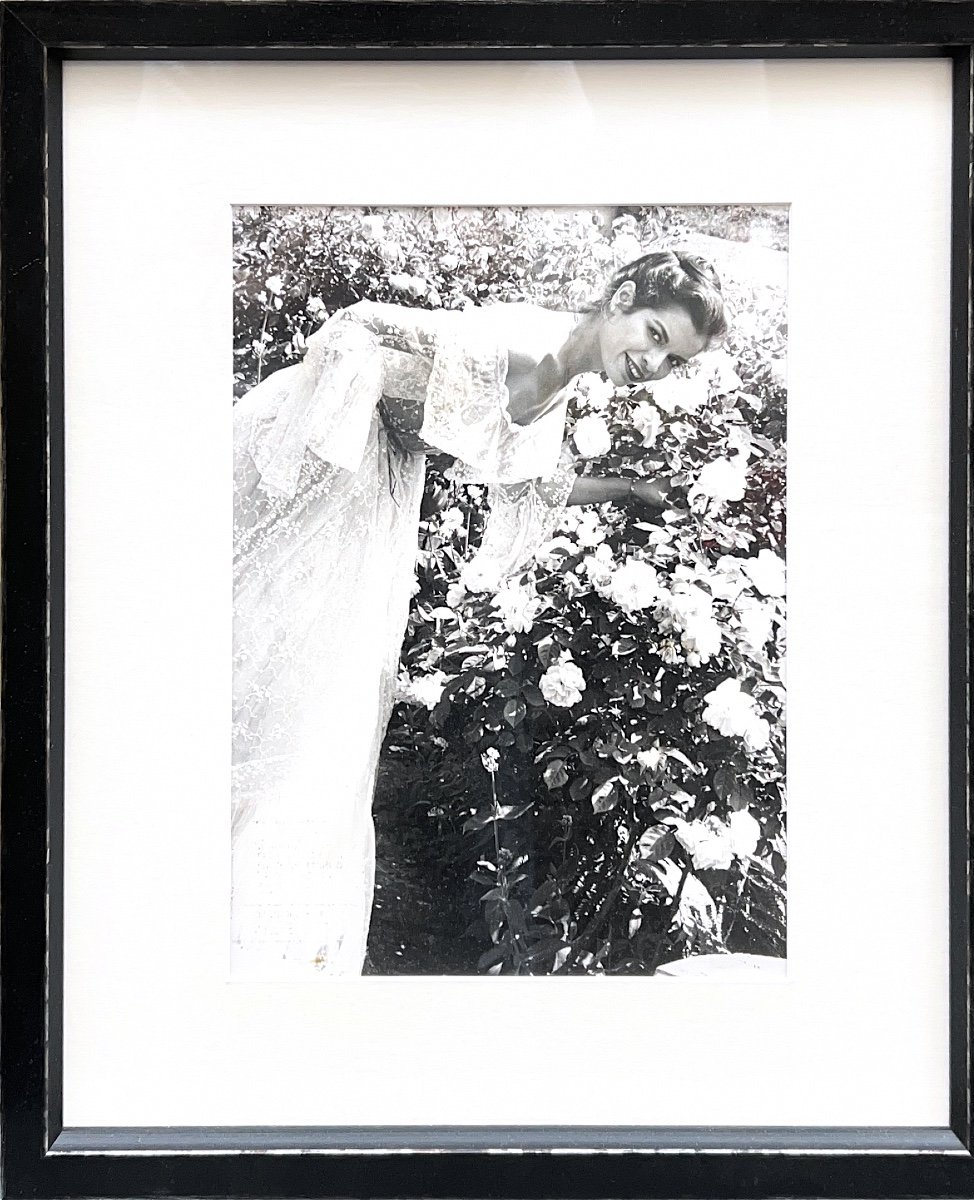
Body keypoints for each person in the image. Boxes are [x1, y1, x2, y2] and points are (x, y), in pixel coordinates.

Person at [231, 249, 728, 978]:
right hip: (322, 475)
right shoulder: (524, 343)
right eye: (655, 334)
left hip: (373, 503)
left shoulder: (563, 380)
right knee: (259, 657)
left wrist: (627, 486)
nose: (654, 364)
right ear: (622, 297)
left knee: (316, 712)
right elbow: (356, 326)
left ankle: (263, 926)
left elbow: (537, 485)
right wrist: (319, 465)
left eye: (673, 360)